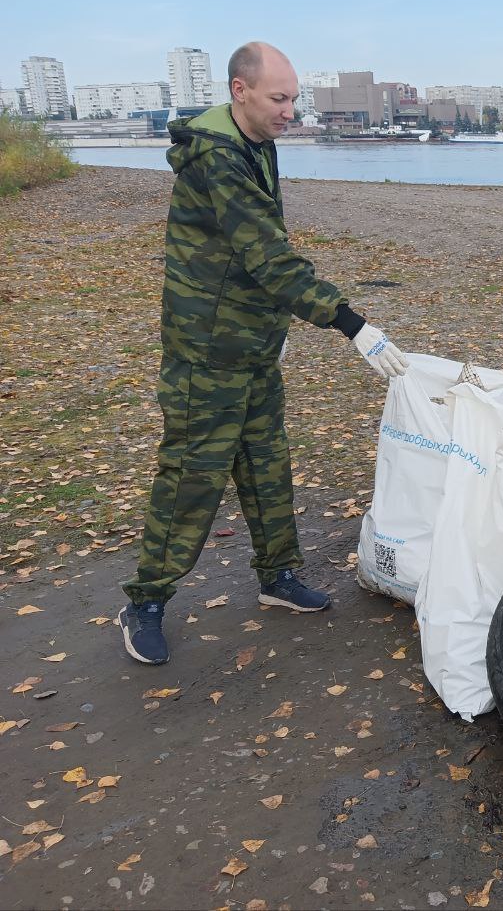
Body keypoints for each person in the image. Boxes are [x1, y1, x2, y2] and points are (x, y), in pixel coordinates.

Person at [119, 41, 408, 665]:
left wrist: (271, 331)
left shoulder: (256, 143)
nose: (289, 110)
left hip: (252, 343)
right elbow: (270, 259)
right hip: (207, 351)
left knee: (265, 464)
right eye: (279, 98)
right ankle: (144, 600)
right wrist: (352, 323)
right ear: (238, 91)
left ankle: (278, 576)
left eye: (294, 98)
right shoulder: (218, 161)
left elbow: (259, 254)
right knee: (193, 476)